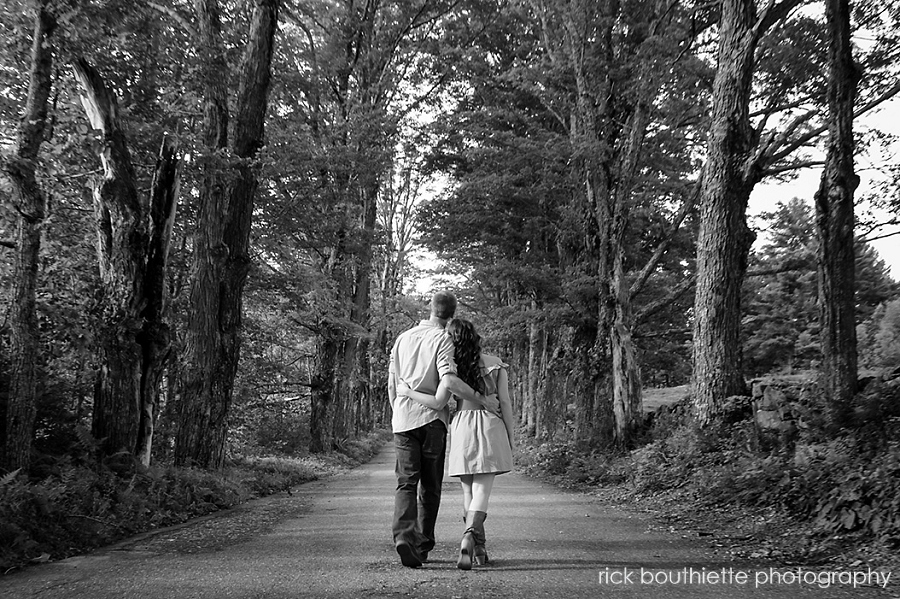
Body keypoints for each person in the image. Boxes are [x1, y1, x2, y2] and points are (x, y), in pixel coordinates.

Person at [387, 292, 499, 568]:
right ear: (452, 312)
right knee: (430, 486)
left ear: (430, 309)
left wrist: (398, 411)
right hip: (432, 419)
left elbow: (391, 384)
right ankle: (422, 545)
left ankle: (403, 536)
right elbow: (448, 380)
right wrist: (482, 398)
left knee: (406, 481)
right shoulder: (443, 339)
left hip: (403, 419)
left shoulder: (402, 338)